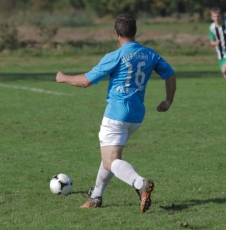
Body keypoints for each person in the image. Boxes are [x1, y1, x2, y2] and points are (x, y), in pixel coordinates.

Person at [56, 14, 176, 212]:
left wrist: (63, 77)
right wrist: (168, 100)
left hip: (116, 115)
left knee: (111, 160)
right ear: (135, 32)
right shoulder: (150, 54)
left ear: (116, 33)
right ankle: (95, 197)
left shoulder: (115, 56)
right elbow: (170, 75)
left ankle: (140, 183)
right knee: (110, 158)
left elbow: (85, 82)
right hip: (136, 116)